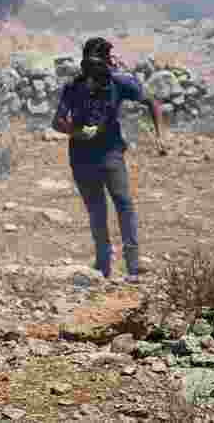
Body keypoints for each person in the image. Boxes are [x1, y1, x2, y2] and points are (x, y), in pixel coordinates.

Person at [52, 37, 166, 284]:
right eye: (89, 64)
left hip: (110, 153)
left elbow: (152, 103)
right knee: (96, 210)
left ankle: (133, 266)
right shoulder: (74, 86)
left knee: (123, 203)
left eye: (98, 63)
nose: (94, 70)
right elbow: (57, 121)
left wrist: (160, 137)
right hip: (81, 157)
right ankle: (103, 266)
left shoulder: (120, 82)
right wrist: (76, 131)